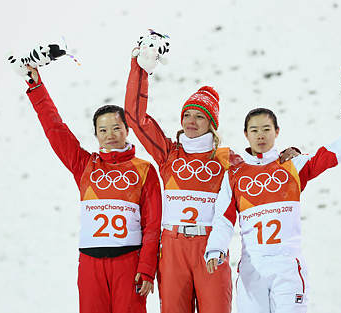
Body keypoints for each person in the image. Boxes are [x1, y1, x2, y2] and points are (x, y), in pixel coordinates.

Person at [124, 50, 299, 313]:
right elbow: (136, 119)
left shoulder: (228, 159)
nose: (191, 122)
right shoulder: (169, 153)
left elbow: (261, 169)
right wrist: (140, 70)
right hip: (172, 249)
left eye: (200, 116)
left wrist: (289, 156)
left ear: (212, 123)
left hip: (210, 249)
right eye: (187, 115)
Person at [204, 104, 341, 313]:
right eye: (254, 130)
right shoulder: (234, 175)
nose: (261, 136)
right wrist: (216, 247)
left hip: (287, 266)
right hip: (252, 267)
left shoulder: (294, 165)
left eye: (266, 129)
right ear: (246, 134)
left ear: (277, 132)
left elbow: (338, 150)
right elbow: (223, 219)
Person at [22, 65, 162, 313]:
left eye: (116, 128)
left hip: (129, 263)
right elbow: (56, 130)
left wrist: (147, 268)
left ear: (127, 130)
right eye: (103, 130)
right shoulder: (84, 165)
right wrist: (36, 88)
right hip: (90, 264)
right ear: (96, 134)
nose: (110, 135)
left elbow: (152, 225)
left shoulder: (144, 170)